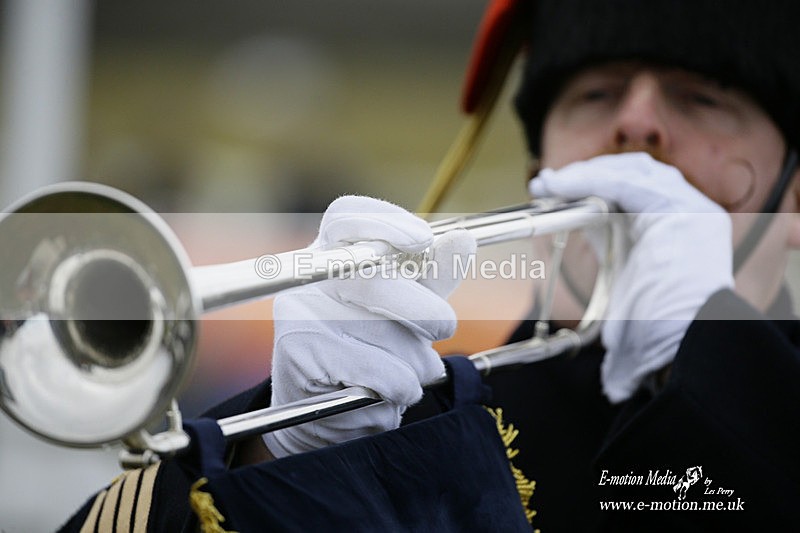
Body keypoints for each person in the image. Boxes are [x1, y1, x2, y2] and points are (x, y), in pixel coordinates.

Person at [61, 0, 800, 531]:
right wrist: (275, 459)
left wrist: (722, 369)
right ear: (542, 168)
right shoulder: (442, 416)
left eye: (702, 97)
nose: (635, 125)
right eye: (596, 93)